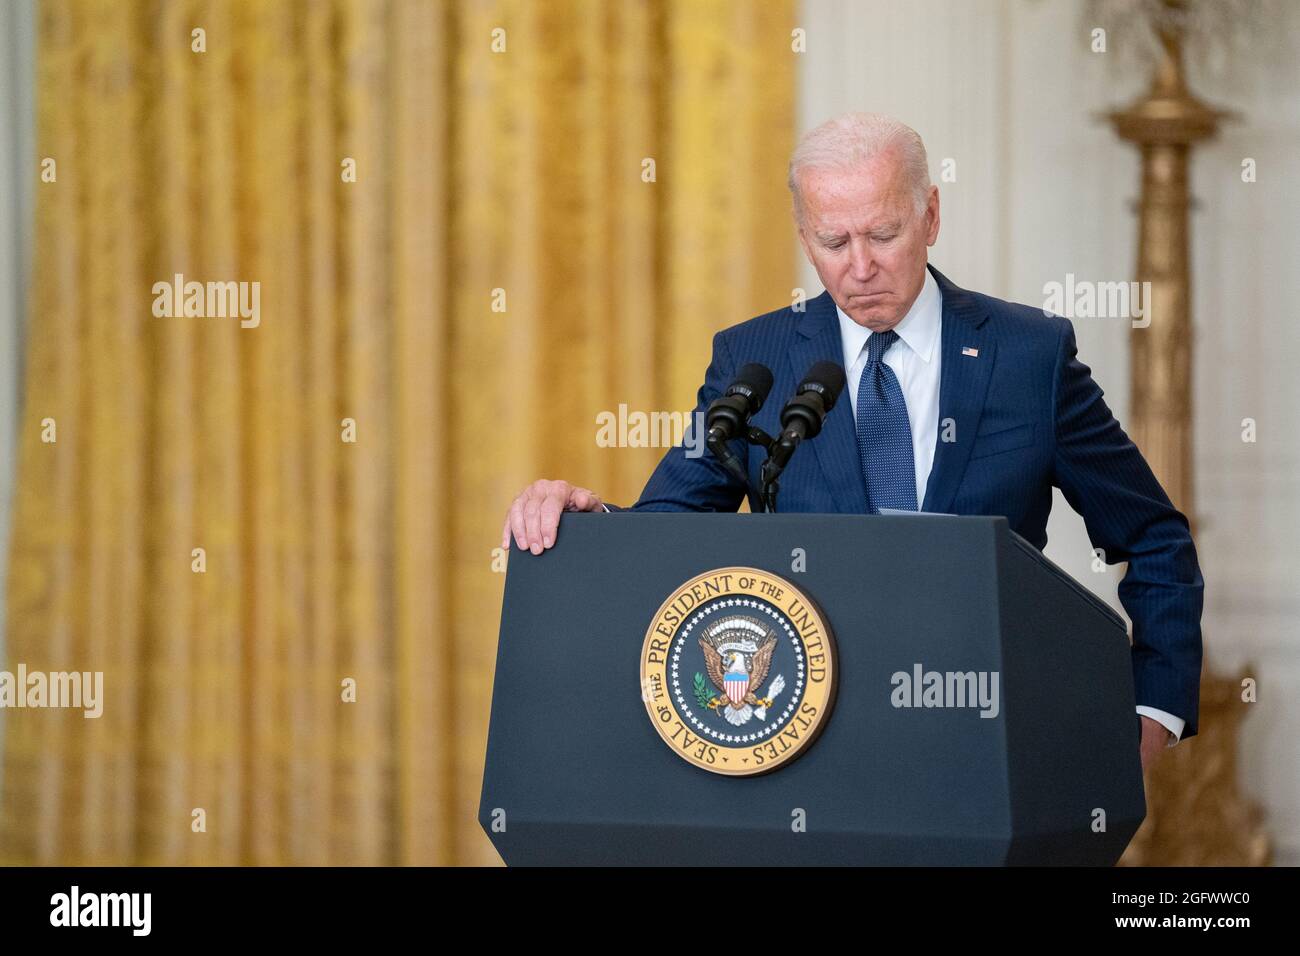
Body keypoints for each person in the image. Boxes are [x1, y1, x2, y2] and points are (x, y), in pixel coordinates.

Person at [500, 112, 1202, 772]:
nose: (859, 267)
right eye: (833, 242)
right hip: (804, 746)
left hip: (987, 736)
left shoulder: (1028, 356)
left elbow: (1151, 535)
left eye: (883, 234)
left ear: (930, 215)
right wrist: (591, 525)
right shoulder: (758, 357)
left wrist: (1154, 708)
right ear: (805, 235)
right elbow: (669, 534)